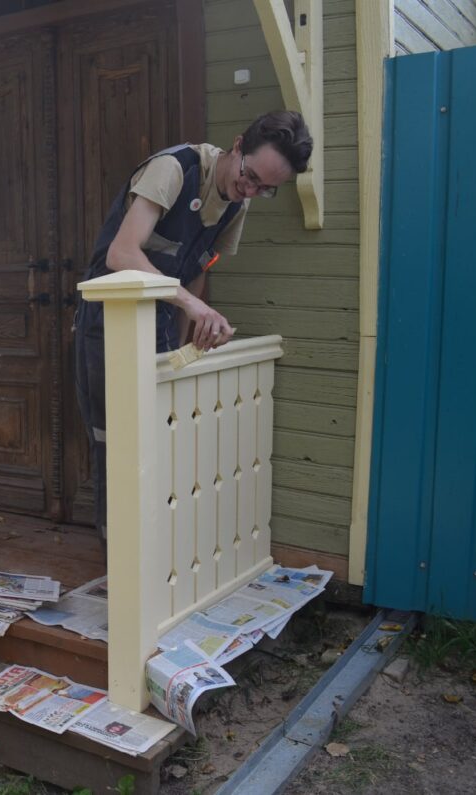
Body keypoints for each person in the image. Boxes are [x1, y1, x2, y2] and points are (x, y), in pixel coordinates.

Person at [74, 110, 313, 551]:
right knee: (116, 442)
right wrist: (192, 304)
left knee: (163, 438)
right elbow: (122, 255)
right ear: (237, 146)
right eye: (250, 176)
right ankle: (119, 557)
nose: (251, 191)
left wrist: (187, 343)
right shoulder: (173, 169)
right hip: (109, 325)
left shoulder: (237, 205)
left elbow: (198, 271)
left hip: (162, 326)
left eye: (266, 189)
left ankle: (159, 551)